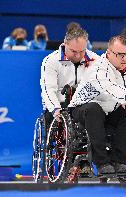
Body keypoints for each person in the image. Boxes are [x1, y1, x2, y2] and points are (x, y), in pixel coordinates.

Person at [69, 35, 126, 175]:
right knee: (94, 109)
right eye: (120, 55)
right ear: (109, 53)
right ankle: (102, 163)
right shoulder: (98, 67)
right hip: (82, 109)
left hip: (111, 109)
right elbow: (107, 86)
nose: (124, 59)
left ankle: (119, 161)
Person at [40, 26, 99, 175]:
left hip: (82, 105)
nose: (78, 55)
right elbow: (48, 89)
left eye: (82, 51)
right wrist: (55, 109)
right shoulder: (50, 61)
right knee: (58, 120)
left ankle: (87, 161)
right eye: (74, 51)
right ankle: (69, 161)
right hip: (59, 106)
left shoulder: (95, 60)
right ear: (65, 44)